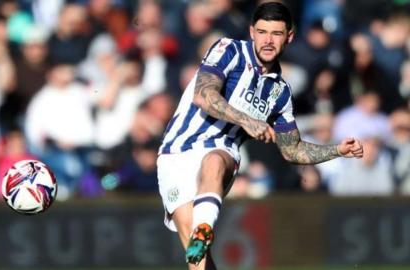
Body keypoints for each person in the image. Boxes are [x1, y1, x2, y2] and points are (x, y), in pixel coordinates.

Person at [156, 2, 364, 270]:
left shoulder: (281, 92)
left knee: (215, 159)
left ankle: (204, 227)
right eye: (262, 32)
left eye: (276, 34)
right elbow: (204, 95)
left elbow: (292, 150)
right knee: (198, 261)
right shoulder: (228, 49)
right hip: (175, 153)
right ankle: (201, 234)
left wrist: (337, 150)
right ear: (251, 31)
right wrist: (247, 120)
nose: (268, 40)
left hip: (223, 149)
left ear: (289, 37)